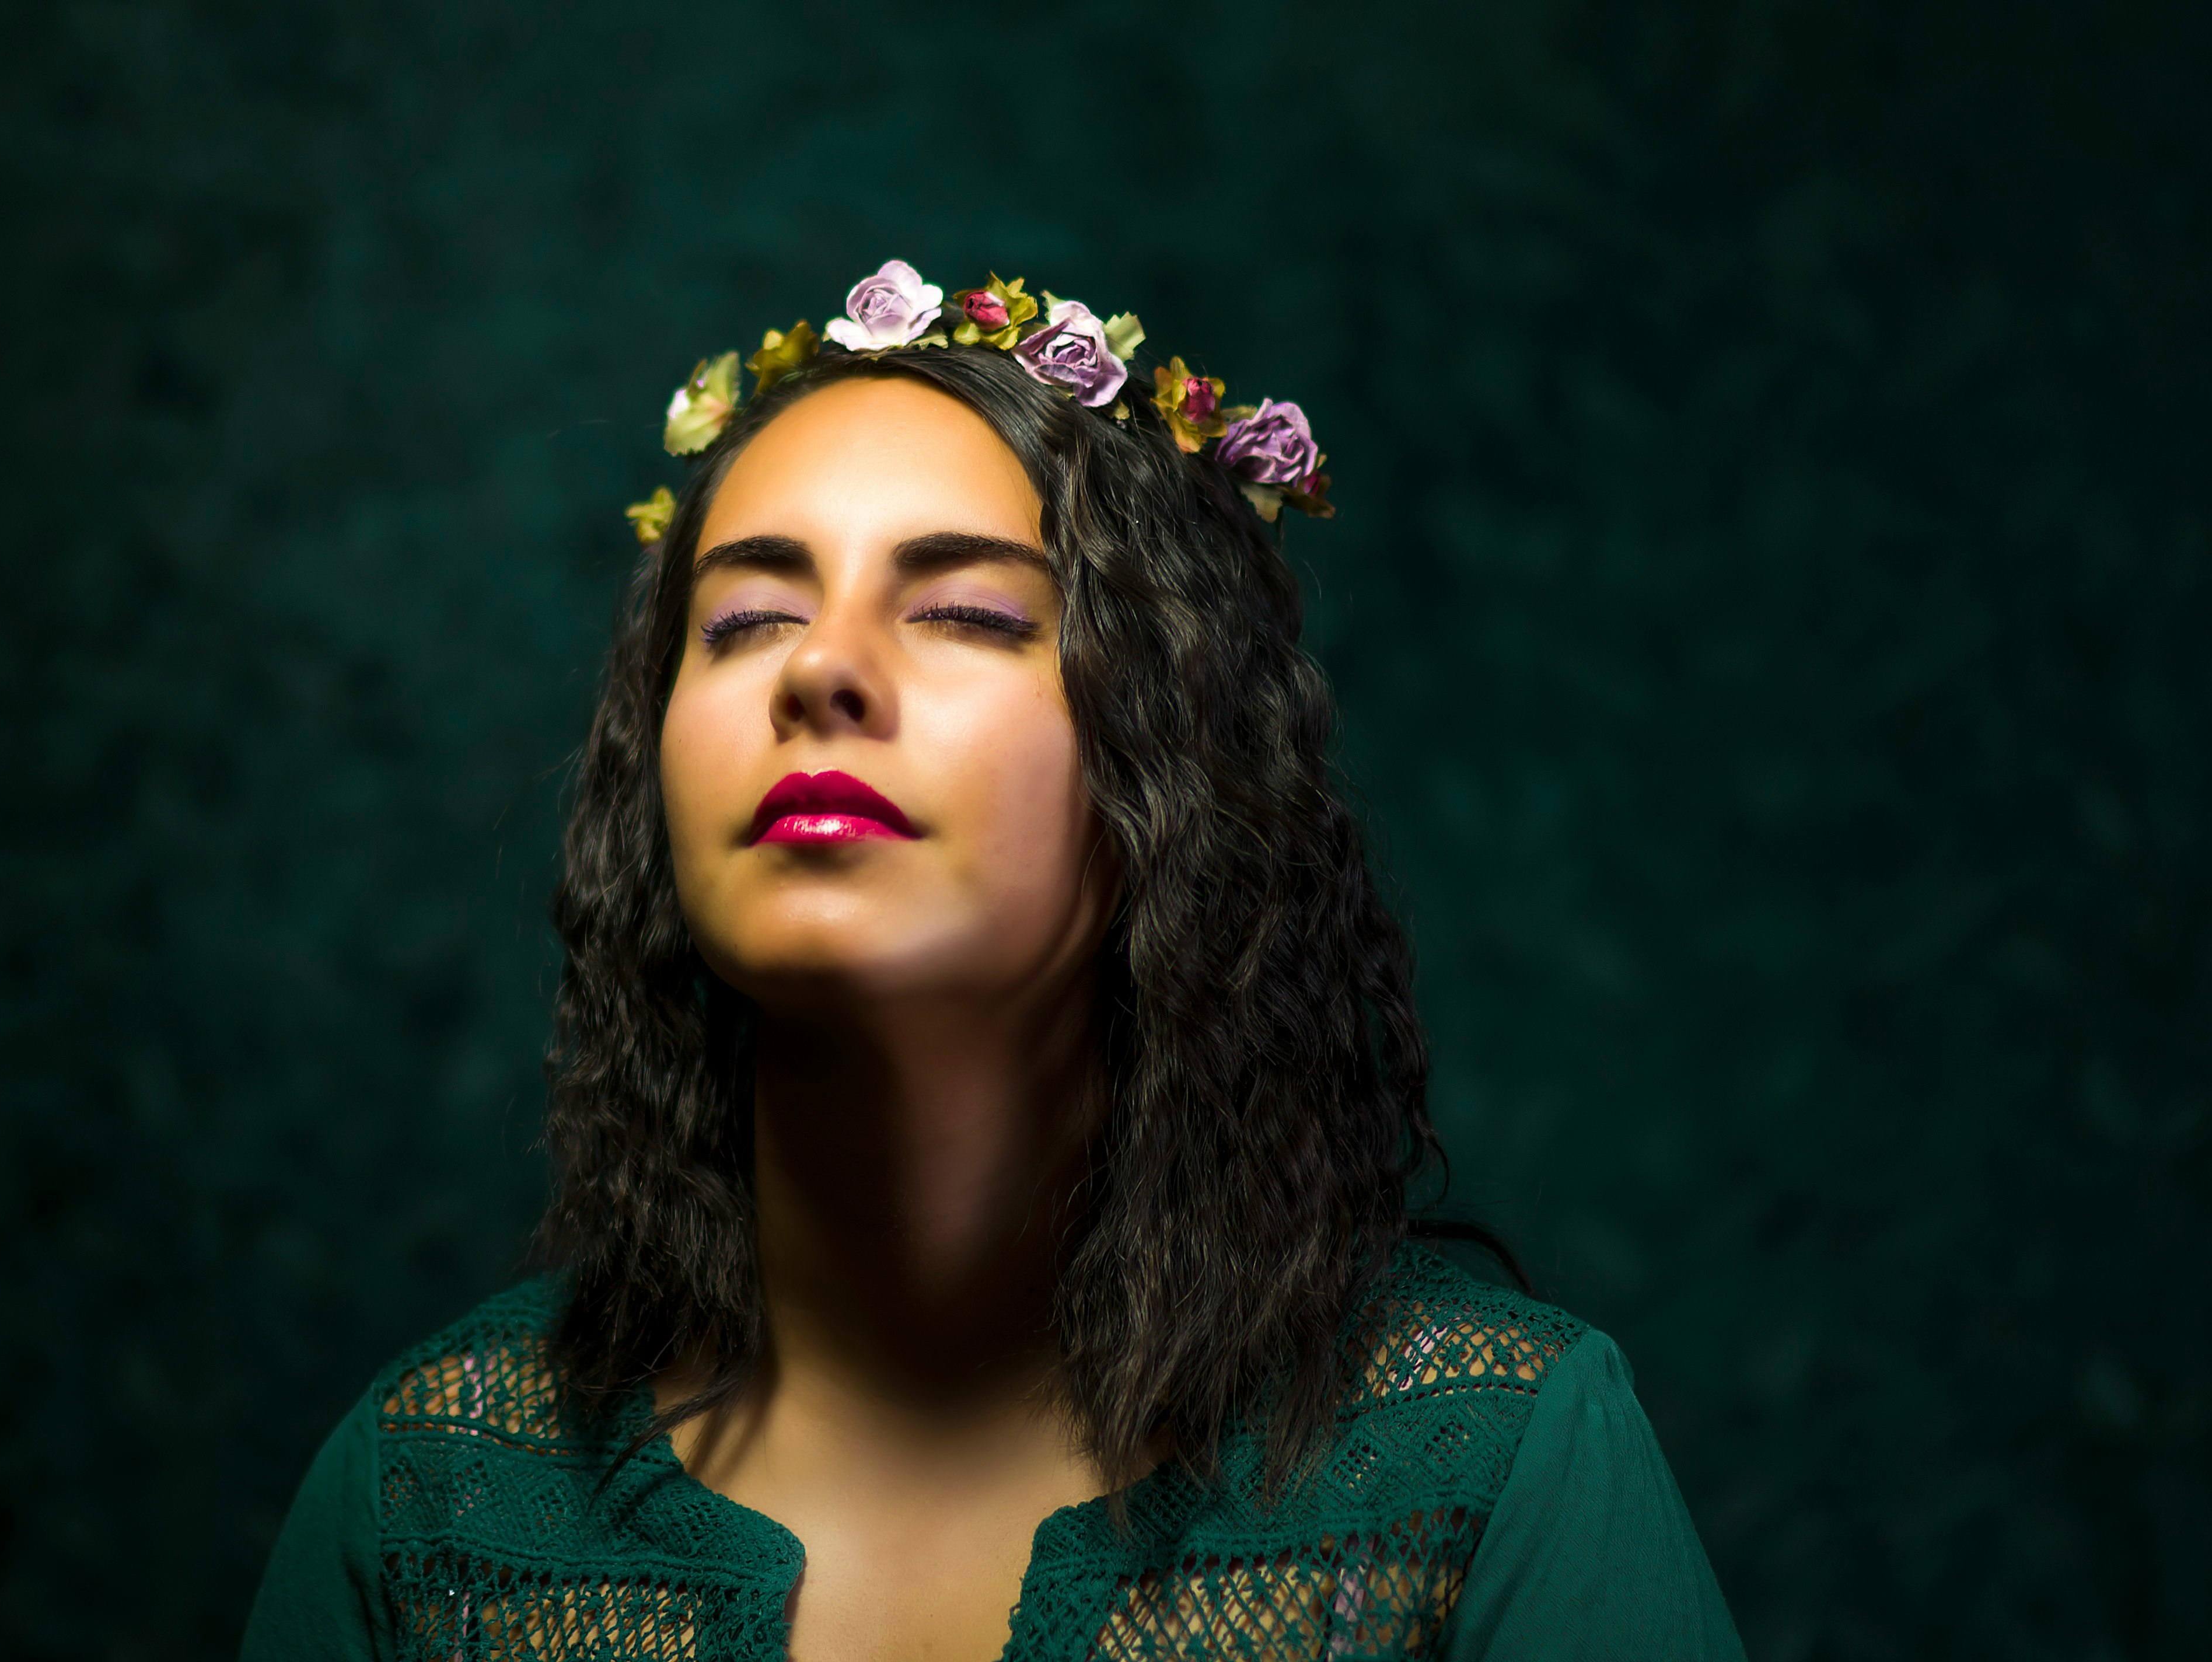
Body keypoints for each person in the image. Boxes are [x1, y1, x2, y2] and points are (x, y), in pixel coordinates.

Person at [239, 261, 1744, 1660]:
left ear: (1170, 758)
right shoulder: (427, 1494)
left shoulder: (1490, 1464)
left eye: (964, 611)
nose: (821, 668)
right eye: (746, 617)